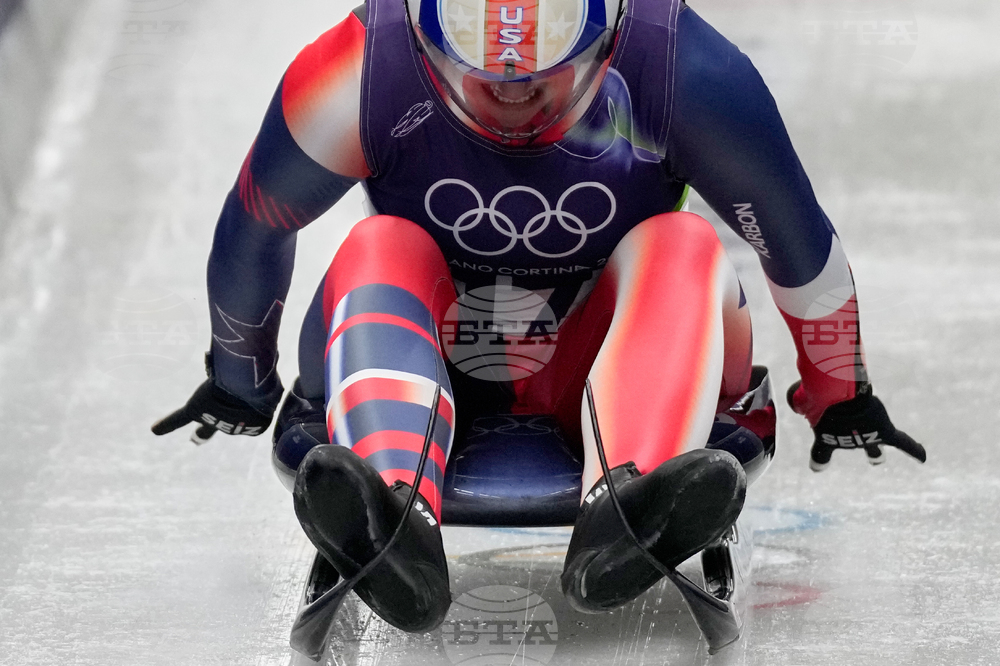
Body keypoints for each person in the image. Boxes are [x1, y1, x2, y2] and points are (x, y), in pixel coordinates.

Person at [152, 0, 926, 632]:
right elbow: (258, 222)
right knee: (380, 245)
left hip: (604, 352)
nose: (512, 98)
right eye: (481, 77)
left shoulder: (685, 71)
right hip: (435, 351)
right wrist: (838, 394)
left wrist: (242, 383)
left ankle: (626, 494)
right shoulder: (356, 71)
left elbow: (792, 236)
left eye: (540, 78)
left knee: (683, 245)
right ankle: (393, 509)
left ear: (608, 42)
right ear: (424, 45)